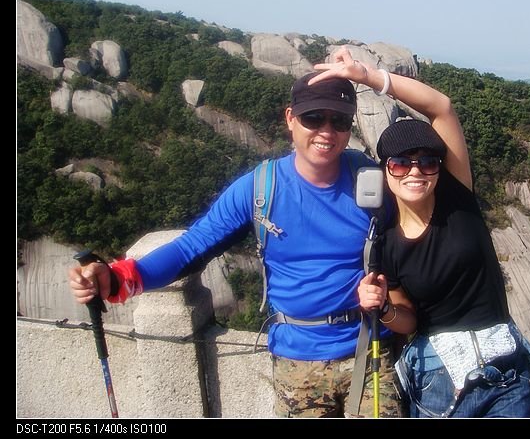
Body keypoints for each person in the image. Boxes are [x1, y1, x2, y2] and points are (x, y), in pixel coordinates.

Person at [68, 68, 403, 418]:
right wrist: (119, 278)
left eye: (340, 121)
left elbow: (420, 222)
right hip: (298, 359)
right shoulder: (260, 189)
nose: (327, 131)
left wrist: (375, 77)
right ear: (290, 118)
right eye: (314, 118)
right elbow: (193, 246)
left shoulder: (369, 181)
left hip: (369, 347)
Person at [314, 54, 530, 417]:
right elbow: (408, 320)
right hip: (437, 382)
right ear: (385, 170)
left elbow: (441, 108)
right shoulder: (386, 242)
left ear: (439, 168)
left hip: (504, 376)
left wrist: (368, 76)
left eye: (427, 162)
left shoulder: (458, 197)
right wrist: (384, 308)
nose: (415, 171)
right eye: (400, 163)